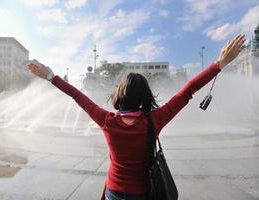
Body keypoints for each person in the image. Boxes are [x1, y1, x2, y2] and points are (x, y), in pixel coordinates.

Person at [27, 34, 246, 200]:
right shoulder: (153, 120)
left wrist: (51, 76)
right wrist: (220, 63)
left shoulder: (106, 121)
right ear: (145, 95)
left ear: (120, 94)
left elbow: (77, 96)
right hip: (143, 193)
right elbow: (188, 90)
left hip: (113, 190)